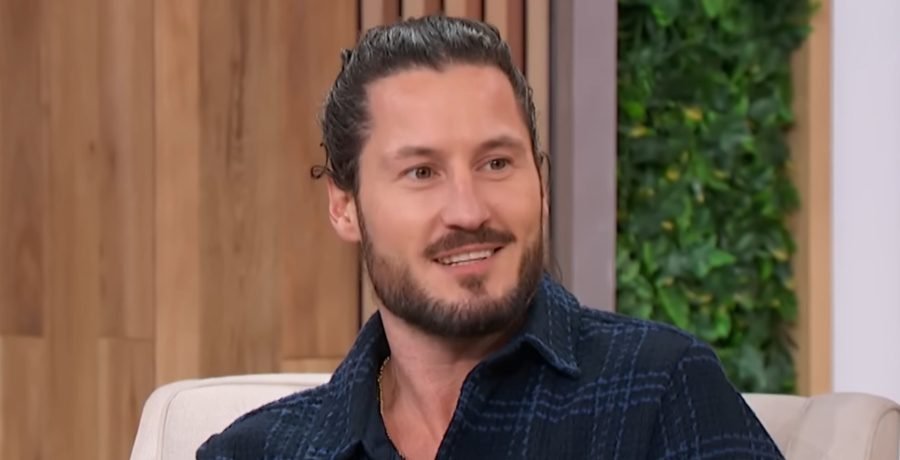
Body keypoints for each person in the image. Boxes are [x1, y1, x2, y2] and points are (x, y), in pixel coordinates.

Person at [197, 15, 783, 460]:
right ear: (345, 207)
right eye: (421, 172)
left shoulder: (661, 389)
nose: (469, 210)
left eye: (497, 163)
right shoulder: (255, 451)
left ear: (541, 183)